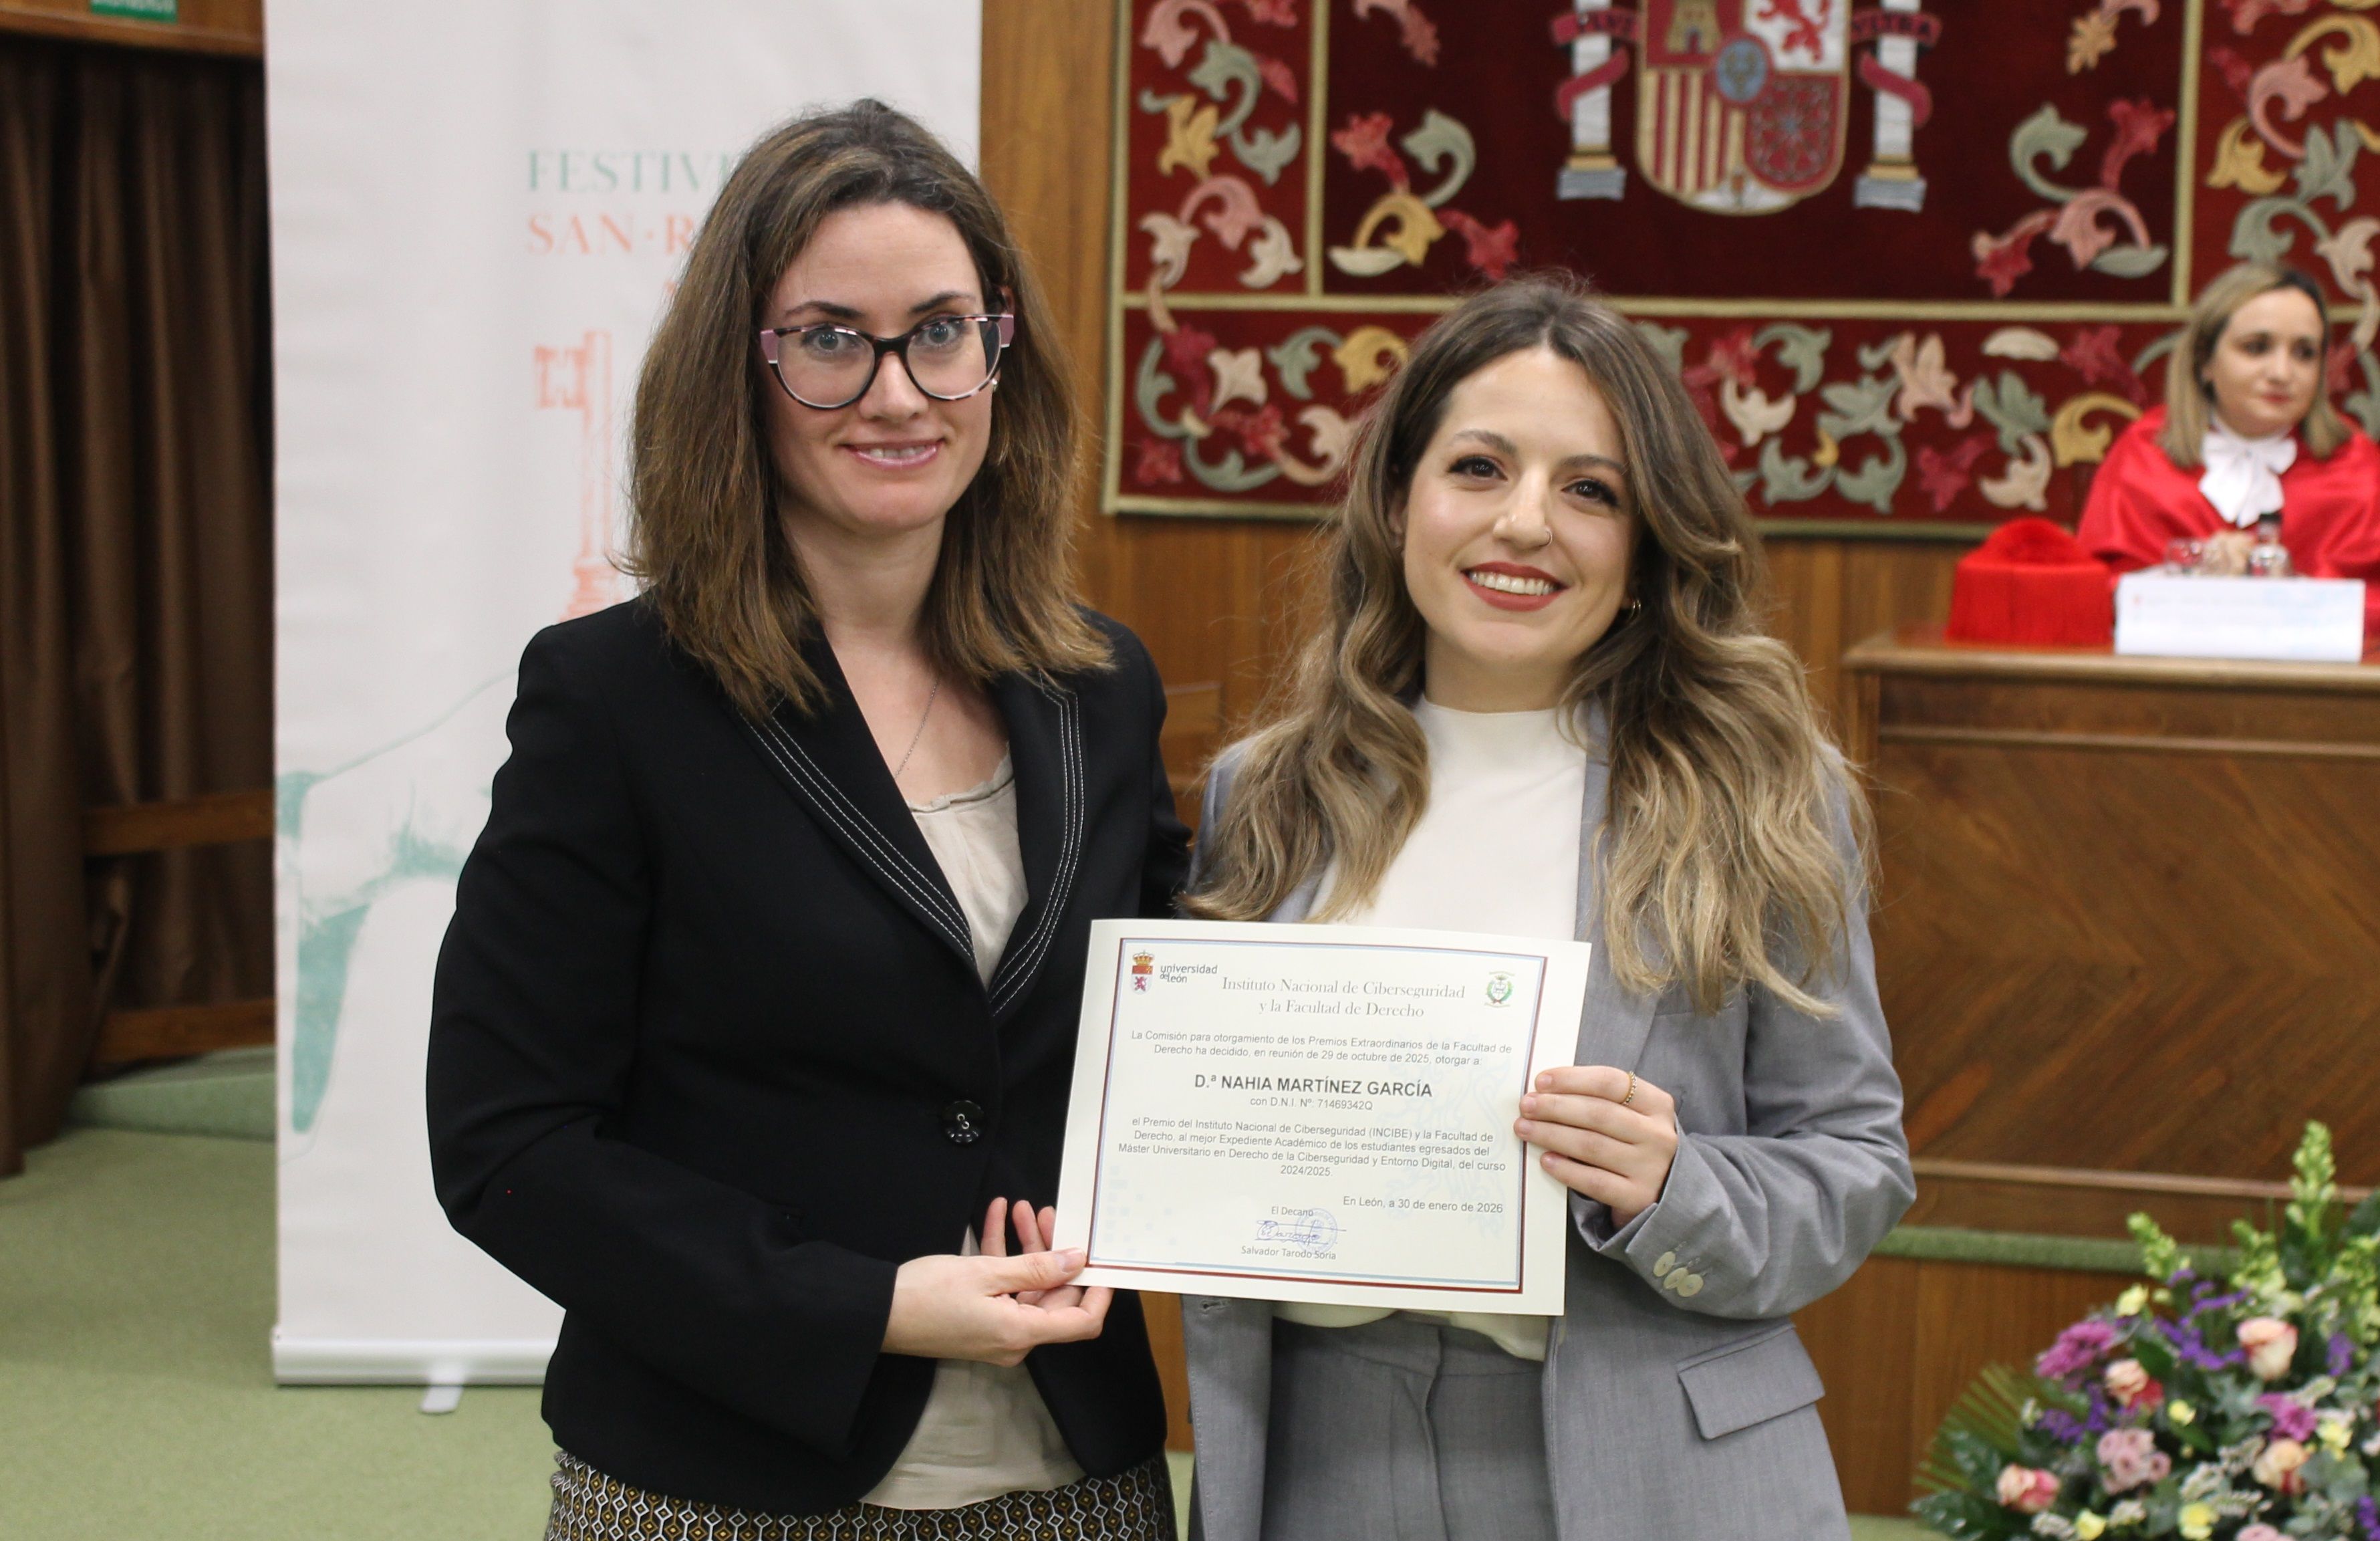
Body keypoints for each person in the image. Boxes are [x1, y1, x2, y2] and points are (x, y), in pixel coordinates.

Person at [426, 101, 1188, 1540]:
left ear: (999, 354)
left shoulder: (1100, 689)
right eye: (833, 338)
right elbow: (506, 1144)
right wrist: (871, 1305)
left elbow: (1166, 1043)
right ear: (744, 369)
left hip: (1070, 1477)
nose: (898, 393)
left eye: (941, 332)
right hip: (727, 1482)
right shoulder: (614, 701)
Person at [1176, 275, 1913, 1541]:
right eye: (1478, 467)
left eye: (1589, 489)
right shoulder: (1266, 793)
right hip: (1320, 1458)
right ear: (1399, 497)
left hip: (1655, 1467)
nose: (1525, 523)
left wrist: (1668, 1185)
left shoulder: (1756, 796)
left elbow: (1856, 1167)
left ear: (1643, 545)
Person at [2078, 262, 2380, 636]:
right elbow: (2096, 594)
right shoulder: (2144, 454)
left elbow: (2373, 606)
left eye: (2304, 353)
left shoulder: (2358, 467)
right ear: (2205, 359)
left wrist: (2285, 588)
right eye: (2257, 348)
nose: (2282, 372)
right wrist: (2193, 571)